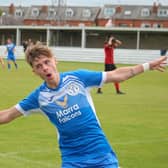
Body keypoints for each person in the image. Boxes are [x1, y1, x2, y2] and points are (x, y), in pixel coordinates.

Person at [0, 45, 167, 168]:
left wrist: (147, 66)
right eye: (38, 66)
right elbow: (7, 115)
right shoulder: (39, 98)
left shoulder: (78, 78)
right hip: (73, 160)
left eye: (46, 62)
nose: (44, 68)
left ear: (55, 61)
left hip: (102, 155)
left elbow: (116, 75)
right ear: (34, 72)